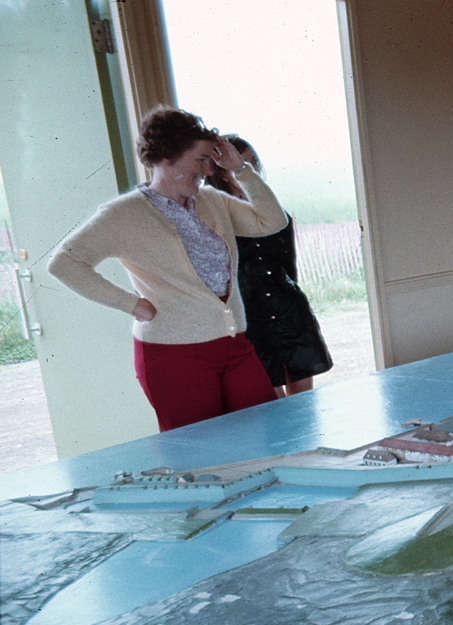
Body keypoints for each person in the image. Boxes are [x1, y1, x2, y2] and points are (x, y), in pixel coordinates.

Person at [47, 106, 286, 431]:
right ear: (168, 155)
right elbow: (64, 262)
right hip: (173, 355)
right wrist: (131, 304)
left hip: (234, 345)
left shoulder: (213, 201)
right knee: (201, 457)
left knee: (270, 433)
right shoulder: (122, 215)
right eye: (201, 159)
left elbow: (272, 221)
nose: (207, 169)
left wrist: (241, 170)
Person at [205, 135, 333, 396]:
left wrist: (292, 301)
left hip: (288, 310)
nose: (249, 167)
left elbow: (289, 264)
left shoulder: (272, 209)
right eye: (240, 162)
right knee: (271, 402)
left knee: (304, 403)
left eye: (252, 161)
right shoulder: (219, 212)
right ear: (222, 171)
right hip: (251, 315)